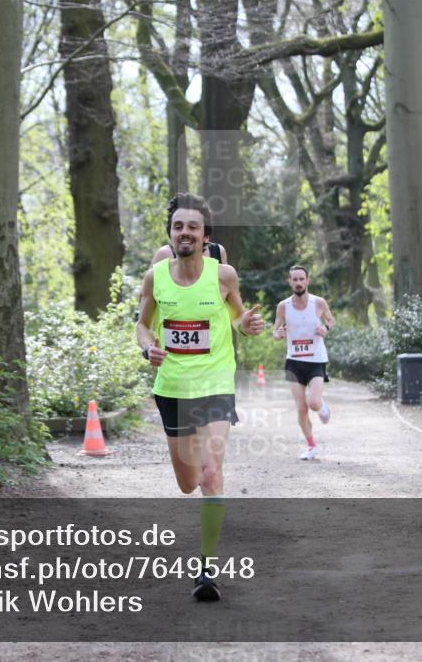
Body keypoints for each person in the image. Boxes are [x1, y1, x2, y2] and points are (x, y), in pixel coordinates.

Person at [136, 193, 264, 602]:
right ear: (170, 234)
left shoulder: (224, 275)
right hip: (172, 388)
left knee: (210, 474)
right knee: (188, 483)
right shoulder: (156, 277)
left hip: (215, 384)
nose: (185, 232)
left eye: (193, 226)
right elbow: (142, 324)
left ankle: (206, 568)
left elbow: (238, 320)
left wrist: (247, 324)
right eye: (178, 226)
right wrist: (148, 348)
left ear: (206, 235)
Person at [272, 265, 336, 460]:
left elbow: (331, 321)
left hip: (316, 359)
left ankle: (322, 407)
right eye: (295, 279)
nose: (298, 283)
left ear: (307, 281)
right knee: (301, 408)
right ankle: (311, 446)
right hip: (294, 361)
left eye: (301, 279)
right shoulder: (283, 306)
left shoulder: (318, 302)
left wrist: (325, 329)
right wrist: (278, 334)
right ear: (290, 282)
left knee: (313, 402)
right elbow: (275, 330)